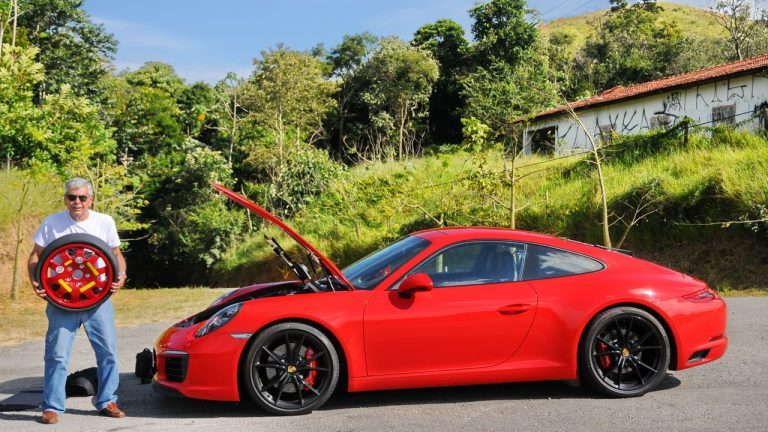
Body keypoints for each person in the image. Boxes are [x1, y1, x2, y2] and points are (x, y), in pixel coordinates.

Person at [27, 178, 128, 425]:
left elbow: (116, 255)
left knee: (107, 353)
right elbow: (35, 256)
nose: (77, 202)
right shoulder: (52, 223)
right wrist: (35, 282)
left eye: (82, 197)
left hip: (98, 300)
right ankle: (52, 407)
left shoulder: (104, 221)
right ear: (66, 199)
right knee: (57, 355)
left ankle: (107, 401)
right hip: (61, 300)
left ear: (90, 199)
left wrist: (122, 276)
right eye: (72, 197)